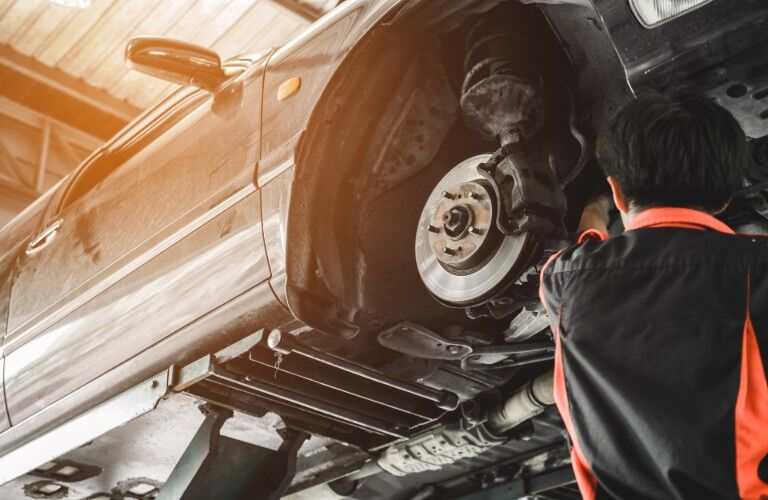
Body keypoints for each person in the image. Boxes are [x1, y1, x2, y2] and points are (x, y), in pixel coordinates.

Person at [539, 89, 768, 499]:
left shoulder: (563, 279)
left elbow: (582, 245)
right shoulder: (758, 268)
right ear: (724, 199)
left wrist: (595, 208)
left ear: (617, 192)